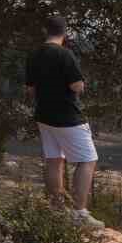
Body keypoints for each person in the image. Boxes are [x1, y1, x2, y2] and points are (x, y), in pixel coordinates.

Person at [25, 15, 99, 212]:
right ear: (65, 33)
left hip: (44, 115)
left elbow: (30, 89)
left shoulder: (34, 55)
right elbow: (77, 86)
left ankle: (56, 208)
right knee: (87, 160)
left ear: (45, 31)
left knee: (53, 160)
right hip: (68, 116)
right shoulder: (65, 55)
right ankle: (79, 212)